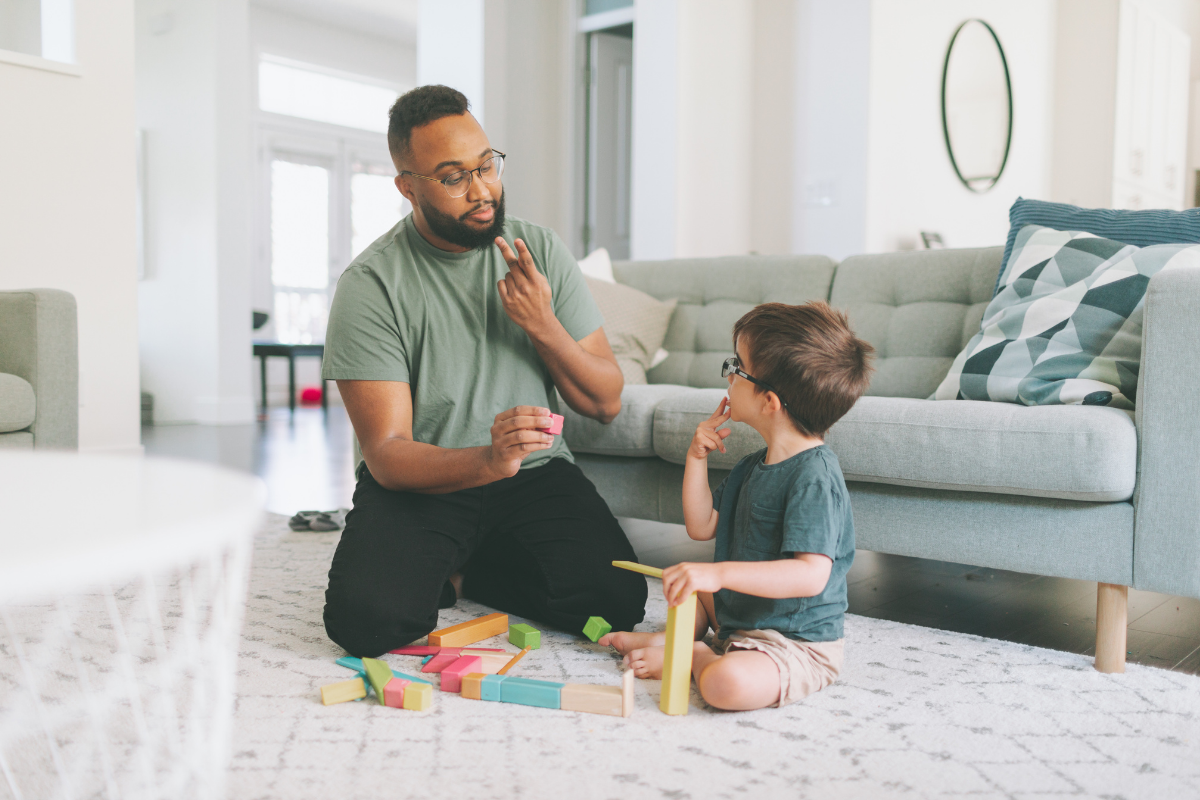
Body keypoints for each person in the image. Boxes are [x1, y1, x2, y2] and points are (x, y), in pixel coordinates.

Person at [321, 85, 647, 657]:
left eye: (486, 165)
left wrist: (542, 324)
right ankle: (452, 557)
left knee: (616, 601)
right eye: (453, 177)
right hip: (427, 478)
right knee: (367, 623)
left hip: (534, 472)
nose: (482, 190)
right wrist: (486, 460)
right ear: (408, 187)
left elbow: (605, 400)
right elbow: (388, 453)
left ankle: (466, 574)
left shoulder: (538, 249)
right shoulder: (370, 285)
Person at [601, 302, 874, 710]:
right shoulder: (754, 466)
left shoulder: (814, 476)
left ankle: (694, 654)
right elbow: (701, 525)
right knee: (691, 589)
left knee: (725, 686)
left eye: (737, 367)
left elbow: (811, 576)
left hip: (791, 641)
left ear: (770, 402)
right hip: (738, 617)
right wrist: (696, 459)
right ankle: (679, 639)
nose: (728, 377)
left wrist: (719, 573)